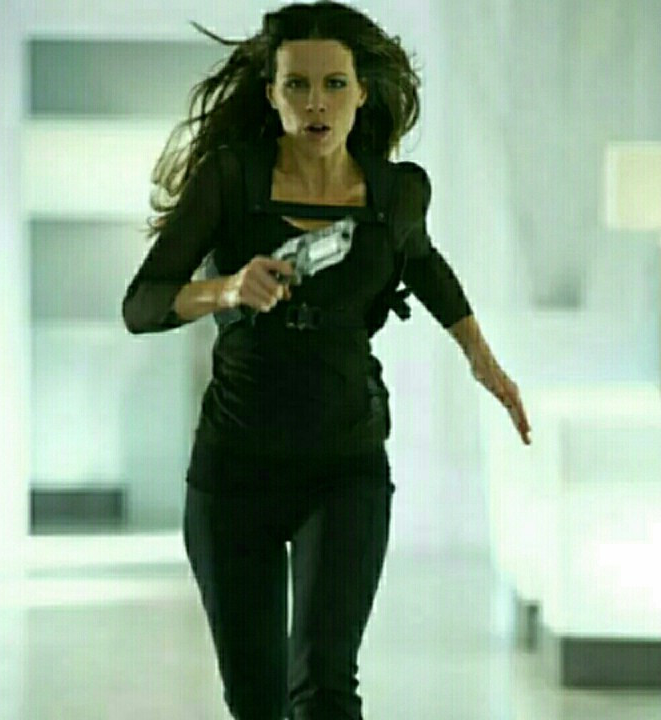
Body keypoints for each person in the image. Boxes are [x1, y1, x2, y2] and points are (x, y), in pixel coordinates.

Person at [122, 2, 531, 718]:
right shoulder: (231, 180)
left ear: (361, 92)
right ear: (272, 94)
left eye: (334, 84)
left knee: (325, 691)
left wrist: (482, 360)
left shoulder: (395, 193)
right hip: (235, 470)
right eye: (298, 85)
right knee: (257, 700)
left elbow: (425, 266)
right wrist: (226, 289)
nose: (317, 103)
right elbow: (142, 304)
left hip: (345, 465)